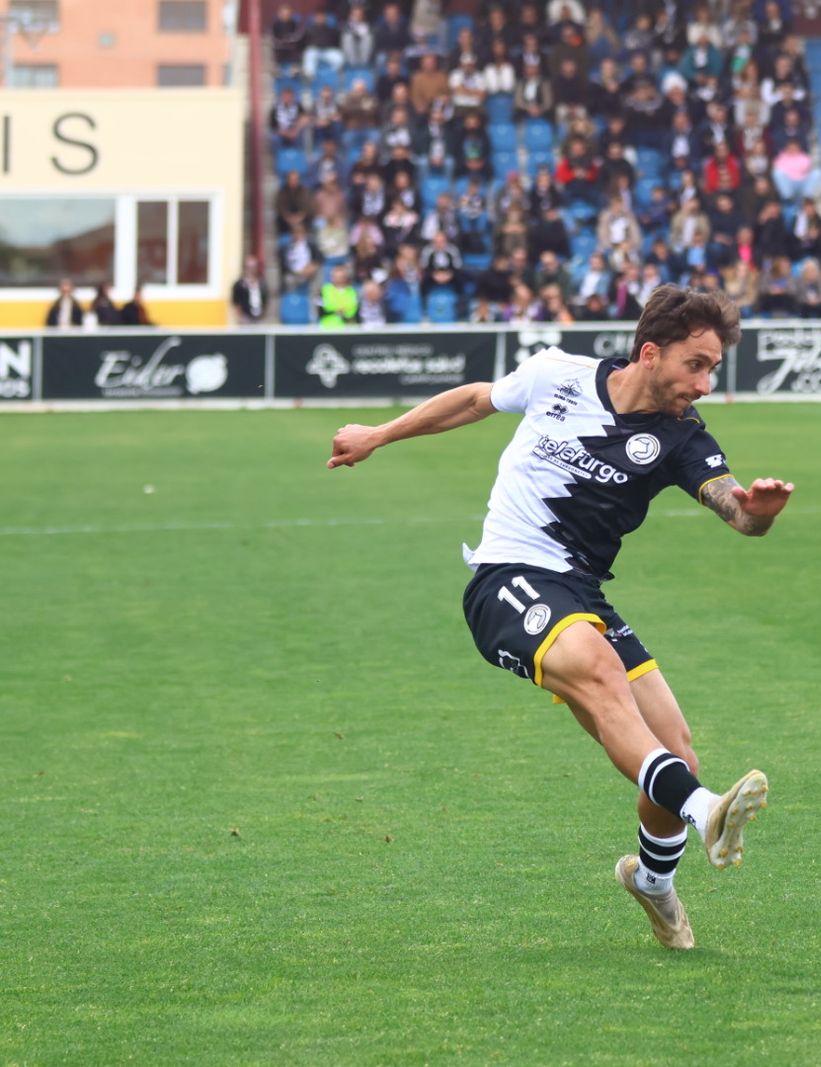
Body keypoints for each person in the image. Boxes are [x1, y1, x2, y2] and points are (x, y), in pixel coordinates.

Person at [326, 286, 790, 951]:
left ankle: (654, 882)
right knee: (603, 677)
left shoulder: (682, 438)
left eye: (714, 368)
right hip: (506, 579)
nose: (706, 383)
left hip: (582, 597)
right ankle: (705, 808)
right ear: (651, 351)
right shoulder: (558, 375)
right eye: (697, 364)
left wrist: (760, 512)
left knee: (675, 746)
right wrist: (378, 434)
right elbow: (473, 399)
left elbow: (736, 511)